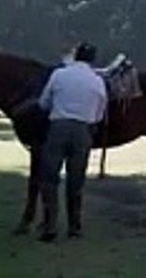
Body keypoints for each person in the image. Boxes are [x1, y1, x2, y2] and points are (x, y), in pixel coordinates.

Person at [35, 41, 106, 242]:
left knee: (49, 178)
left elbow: (43, 103)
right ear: (93, 59)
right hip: (83, 131)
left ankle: (50, 226)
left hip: (58, 128)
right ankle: (74, 227)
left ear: (75, 56)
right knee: (76, 181)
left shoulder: (59, 75)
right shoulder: (97, 81)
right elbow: (99, 113)